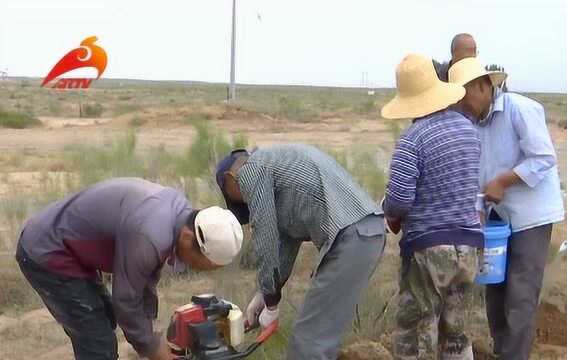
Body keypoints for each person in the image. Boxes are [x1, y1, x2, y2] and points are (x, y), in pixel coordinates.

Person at [16, 178, 243, 360]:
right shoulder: (149, 234)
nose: (196, 269)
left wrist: (150, 331)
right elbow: (125, 299)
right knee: (97, 342)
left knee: (104, 317)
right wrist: (151, 347)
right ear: (188, 237)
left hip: (71, 250)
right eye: (201, 264)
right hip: (48, 249)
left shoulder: (177, 215)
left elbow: (145, 278)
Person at [214, 144, 386, 360]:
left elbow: (264, 234)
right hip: (366, 234)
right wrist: (264, 295)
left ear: (231, 177)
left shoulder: (251, 169)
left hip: (352, 237)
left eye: (236, 197)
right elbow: (285, 242)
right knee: (317, 338)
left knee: (308, 343)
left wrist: (271, 301)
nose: (245, 202)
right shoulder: (279, 167)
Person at [449, 58, 565, 359]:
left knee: (520, 292)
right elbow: (478, 172)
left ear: (484, 86)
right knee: (494, 287)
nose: (461, 103)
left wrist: (504, 180)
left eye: (464, 94)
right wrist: (477, 207)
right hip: (496, 218)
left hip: (530, 217)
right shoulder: (472, 122)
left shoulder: (520, 109)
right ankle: (503, 351)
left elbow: (543, 157)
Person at [382, 53, 482, 360]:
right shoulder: (470, 131)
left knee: (418, 330)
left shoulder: (412, 141)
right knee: (456, 331)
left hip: (427, 249)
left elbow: (398, 201)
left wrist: (390, 211)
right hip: (468, 247)